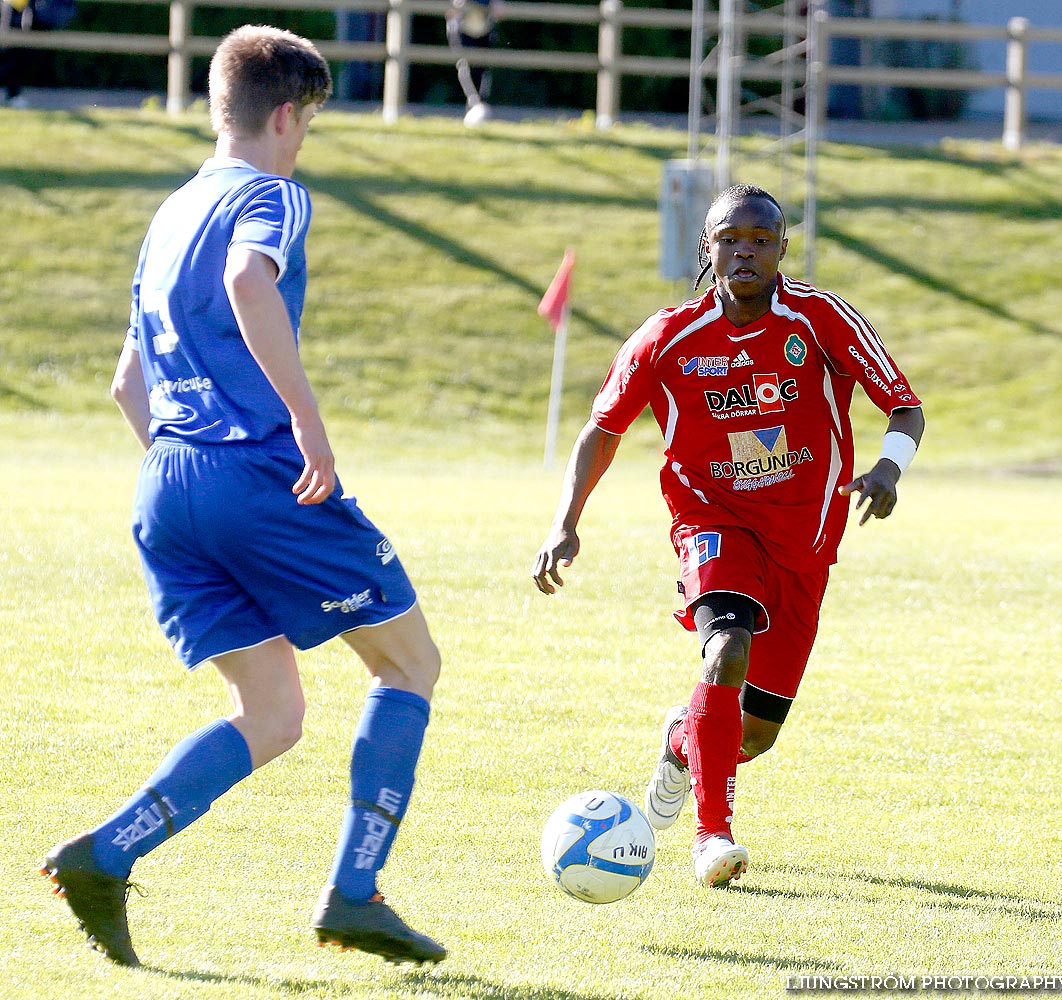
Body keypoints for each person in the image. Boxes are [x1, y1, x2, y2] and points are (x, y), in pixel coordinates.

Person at [41, 25, 445, 967]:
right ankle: (356, 893)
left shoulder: (171, 210)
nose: (305, 141)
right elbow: (246, 279)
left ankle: (103, 856)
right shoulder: (273, 195)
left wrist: (191, 475)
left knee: (273, 714)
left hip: (166, 485)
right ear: (289, 113)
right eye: (309, 122)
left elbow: (125, 383)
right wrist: (305, 421)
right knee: (407, 665)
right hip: (254, 474)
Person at [532, 184, 925, 888]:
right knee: (726, 645)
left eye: (760, 237)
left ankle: (686, 738)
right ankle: (712, 836)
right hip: (712, 518)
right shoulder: (668, 336)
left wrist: (888, 471)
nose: (744, 249)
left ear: (781, 249)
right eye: (729, 238)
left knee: (755, 734)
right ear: (706, 249)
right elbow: (603, 429)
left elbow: (904, 407)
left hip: (805, 540)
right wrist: (566, 524)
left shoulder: (821, 318)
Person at [445, 0, 499, 126]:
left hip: (485, 24)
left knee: (482, 68)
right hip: (461, 23)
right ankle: (476, 105)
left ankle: (478, 108)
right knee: (465, 65)